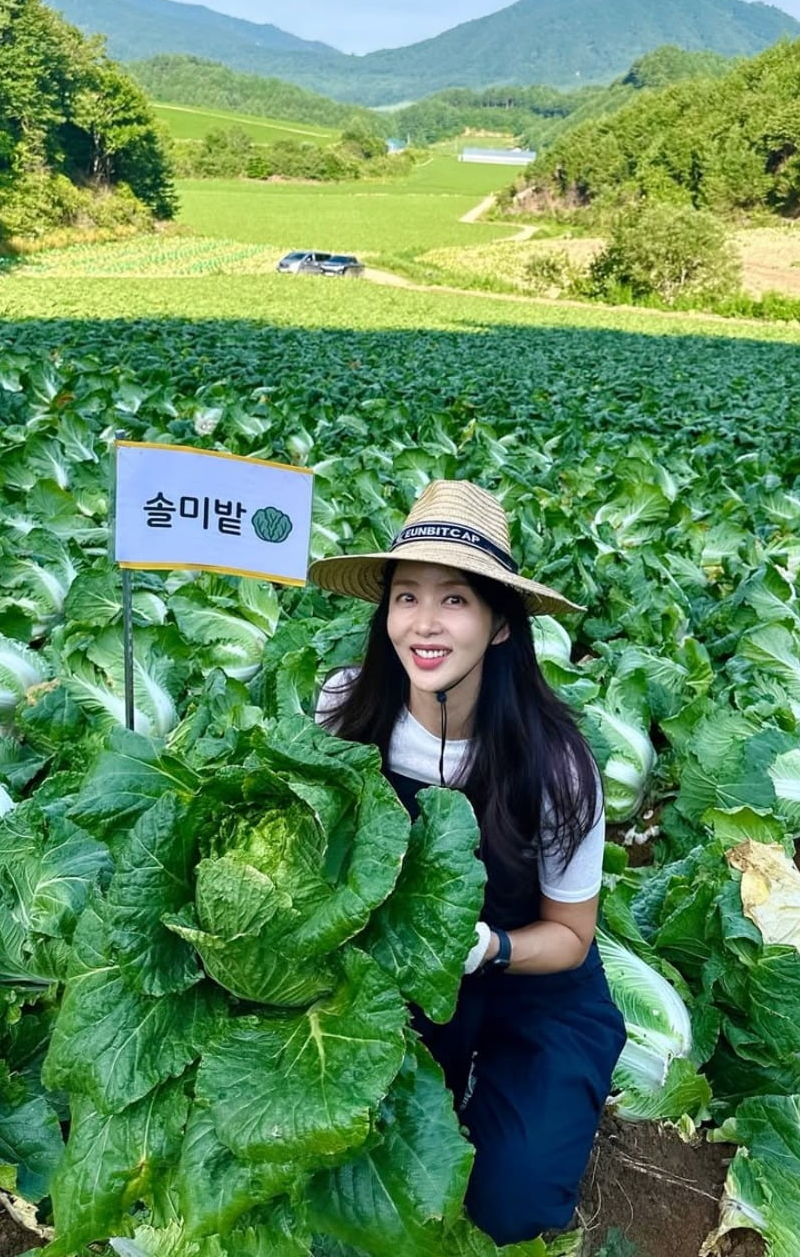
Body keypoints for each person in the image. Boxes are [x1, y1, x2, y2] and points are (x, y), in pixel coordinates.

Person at [309, 480, 626, 1247]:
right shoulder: (343, 708)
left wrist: (492, 948)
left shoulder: (558, 767)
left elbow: (572, 937)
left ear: (501, 626)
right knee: (362, 1169)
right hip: (396, 975)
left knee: (509, 1204)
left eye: (455, 601)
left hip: (531, 978)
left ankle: (539, 1090)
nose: (424, 623)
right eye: (405, 597)